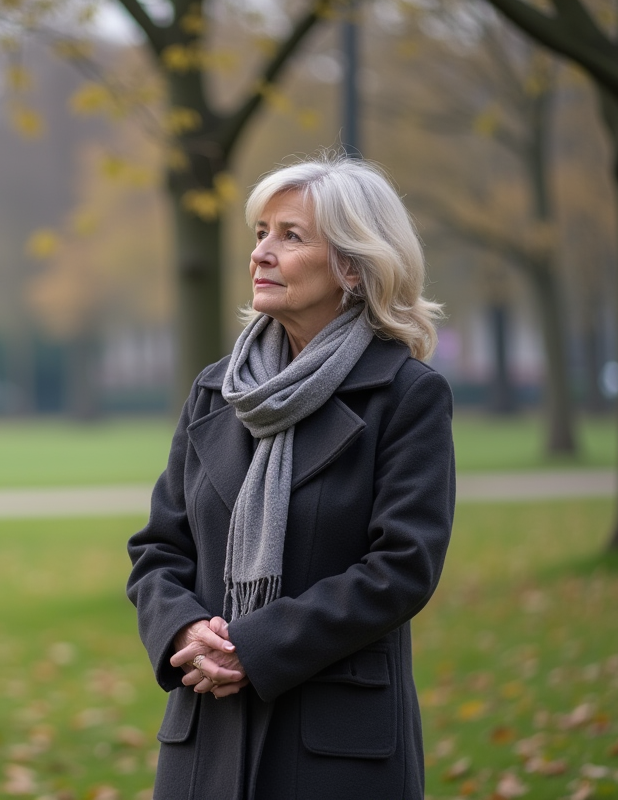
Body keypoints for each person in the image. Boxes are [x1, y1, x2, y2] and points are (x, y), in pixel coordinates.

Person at [127, 154, 455, 799]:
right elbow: (159, 550)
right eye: (260, 233)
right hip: (207, 734)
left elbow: (402, 566)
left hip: (334, 743)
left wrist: (256, 645)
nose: (261, 254)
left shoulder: (404, 395)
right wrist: (185, 630)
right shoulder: (217, 391)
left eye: (291, 236)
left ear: (354, 268)